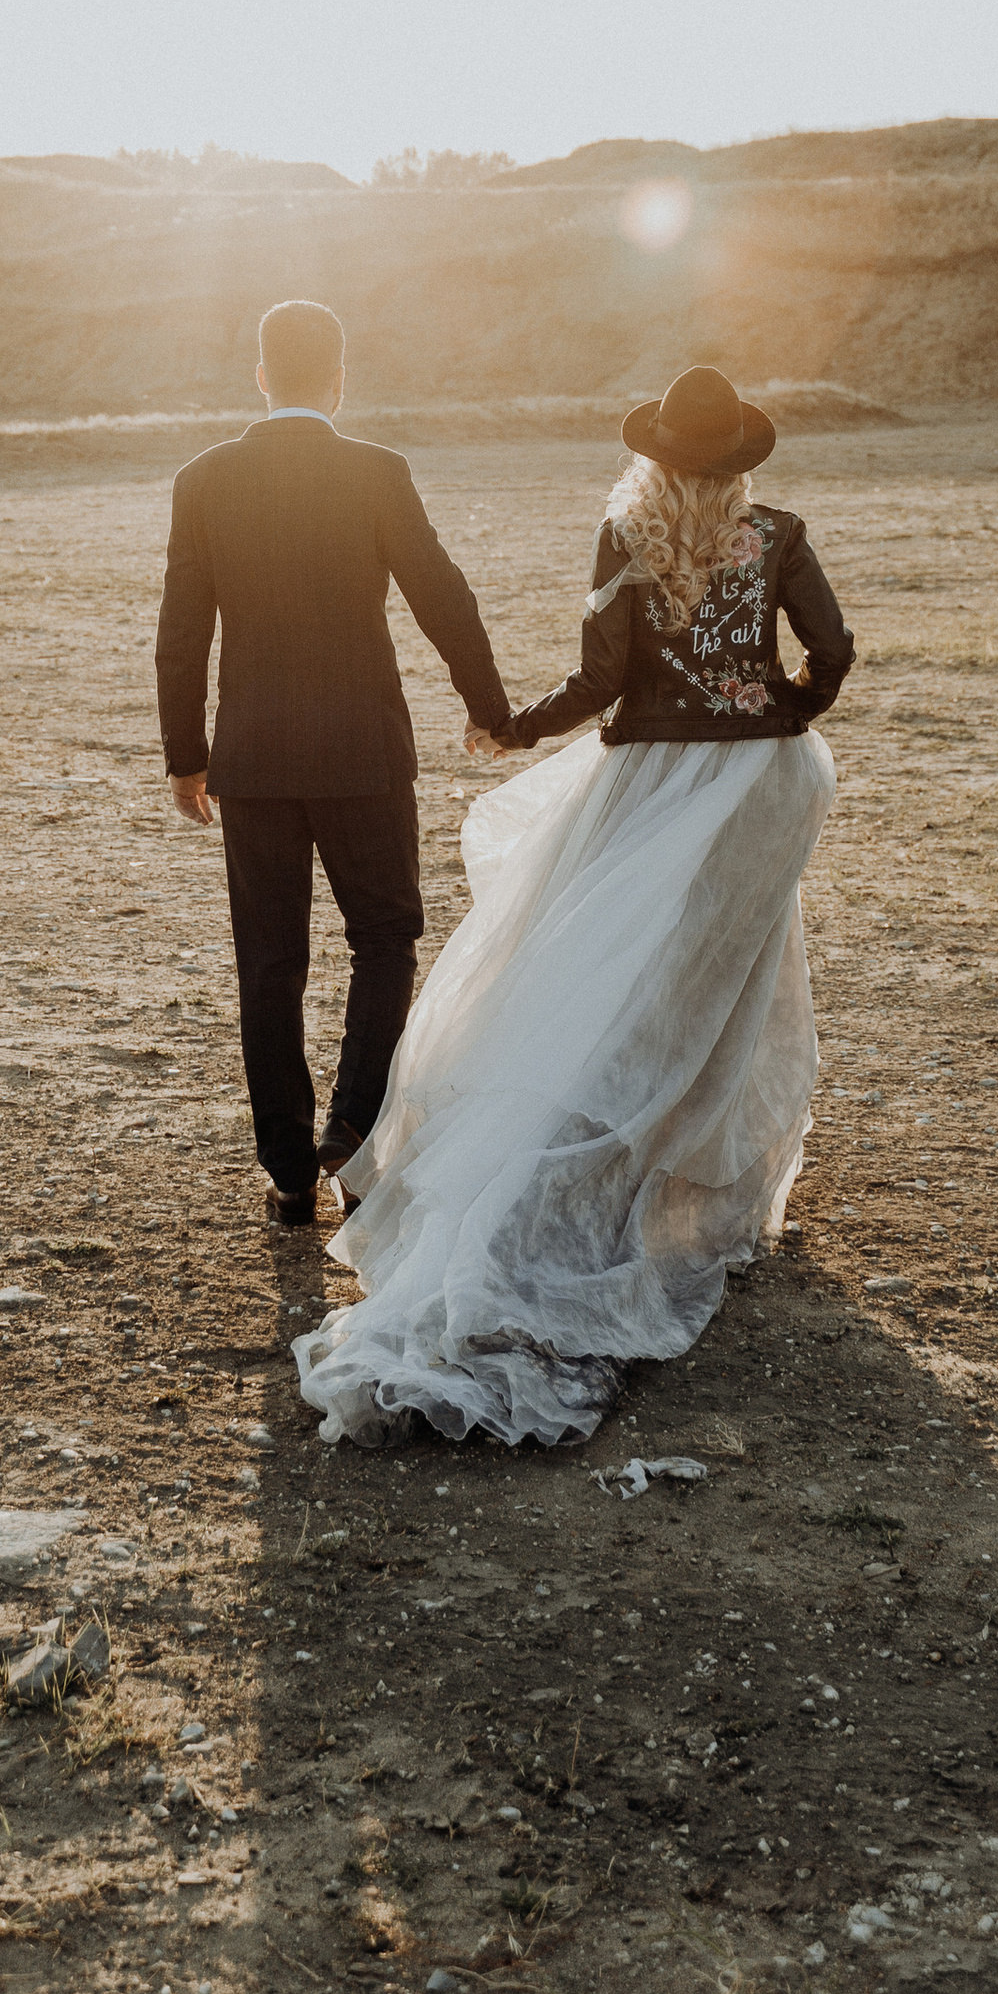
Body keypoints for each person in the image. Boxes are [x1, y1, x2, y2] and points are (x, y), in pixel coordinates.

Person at [293, 364, 853, 1448]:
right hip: (757, 791)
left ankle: (606, 1166)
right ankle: (690, 1177)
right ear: (737, 459)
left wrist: (513, 725)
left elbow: (600, 679)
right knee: (722, 983)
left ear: (655, 455)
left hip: (649, 784)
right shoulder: (778, 533)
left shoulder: (627, 536)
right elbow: (831, 650)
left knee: (616, 980)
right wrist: (784, 708)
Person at [154, 298, 515, 1227]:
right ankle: (353, 1126)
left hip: (255, 758)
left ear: (263, 374)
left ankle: (285, 1172)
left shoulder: (204, 479)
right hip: (363, 750)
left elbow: (181, 634)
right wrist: (488, 707)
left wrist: (187, 758)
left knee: (268, 962)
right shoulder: (376, 473)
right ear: (340, 378)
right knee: (385, 936)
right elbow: (443, 592)